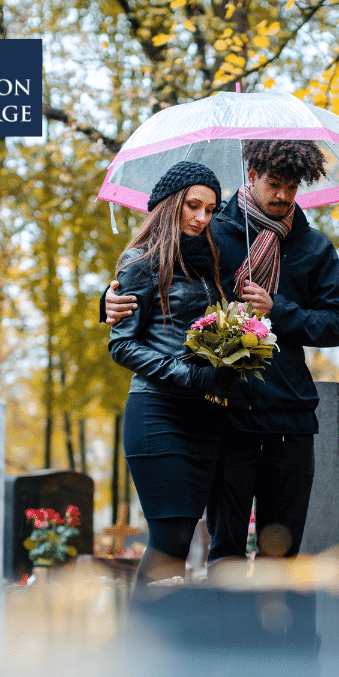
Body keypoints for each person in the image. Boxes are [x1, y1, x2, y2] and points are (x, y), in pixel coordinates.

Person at [105, 140, 339, 572]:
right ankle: (227, 638)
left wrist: (278, 309)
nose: (282, 195)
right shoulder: (211, 231)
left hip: (290, 414)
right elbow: (157, 276)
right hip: (227, 415)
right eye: (274, 183)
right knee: (225, 553)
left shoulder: (315, 249)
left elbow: (336, 325)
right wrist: (105, 300)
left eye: (292, 187)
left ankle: (284, 639)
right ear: (251, 176)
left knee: (282, 553)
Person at [107, 161, 236, 587]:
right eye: (193, 206)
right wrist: (187, 374)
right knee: (169, 538)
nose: (202, 218)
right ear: (169, 204)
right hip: (157, 411)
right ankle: (147, 645)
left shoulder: (209, 268)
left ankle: (169, 641)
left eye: (211, 209)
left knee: (180, 543)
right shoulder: (140, 261)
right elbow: (122, 344)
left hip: (206, 417)